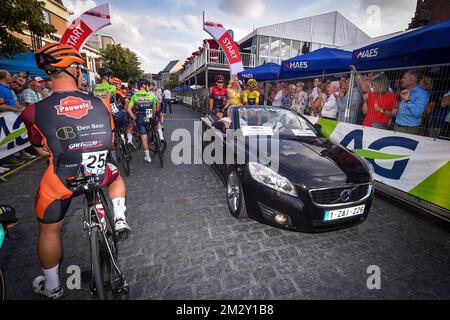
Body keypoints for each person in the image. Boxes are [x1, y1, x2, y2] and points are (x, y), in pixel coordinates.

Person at [21, 43, 130, 299]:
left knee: (49, 230)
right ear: (73, 70)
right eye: (79, 68)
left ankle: (52, 286)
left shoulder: (31, 111)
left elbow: (41, 150)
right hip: (100, 169)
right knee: (114, 175)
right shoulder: (101, 104)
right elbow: (110, 142)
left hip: (61, 178)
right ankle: (119, 216)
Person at [127, 79, 164, 163]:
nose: (148, 87)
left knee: (144, 138)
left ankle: (148, 157)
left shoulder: (134, 96)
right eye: (147, 85)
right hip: (150, 117)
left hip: (140, 119)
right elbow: (156, 105)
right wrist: (155, 113)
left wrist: (135, 118)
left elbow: (129, 110)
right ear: (144, 85)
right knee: (157, 121)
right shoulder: (151, 95)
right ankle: (161, 136)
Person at [93, 68, 132, 146]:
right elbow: (108, 99)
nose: (112, 79)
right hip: (115, 113)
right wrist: (124, 111)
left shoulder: (95, 88)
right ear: (106, 77)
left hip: (102, 115)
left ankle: (114, 154)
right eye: (111, 77)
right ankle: (128, 141)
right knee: (129, 125)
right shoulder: (112, 87)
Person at [394, 70, 429, 135]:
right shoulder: (405, 91)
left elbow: (417, 113)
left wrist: (407, 100)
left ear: (413, 79)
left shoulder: (422, 93)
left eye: (405, 78)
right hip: (397, 125)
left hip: (409, 129)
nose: (402, 80)